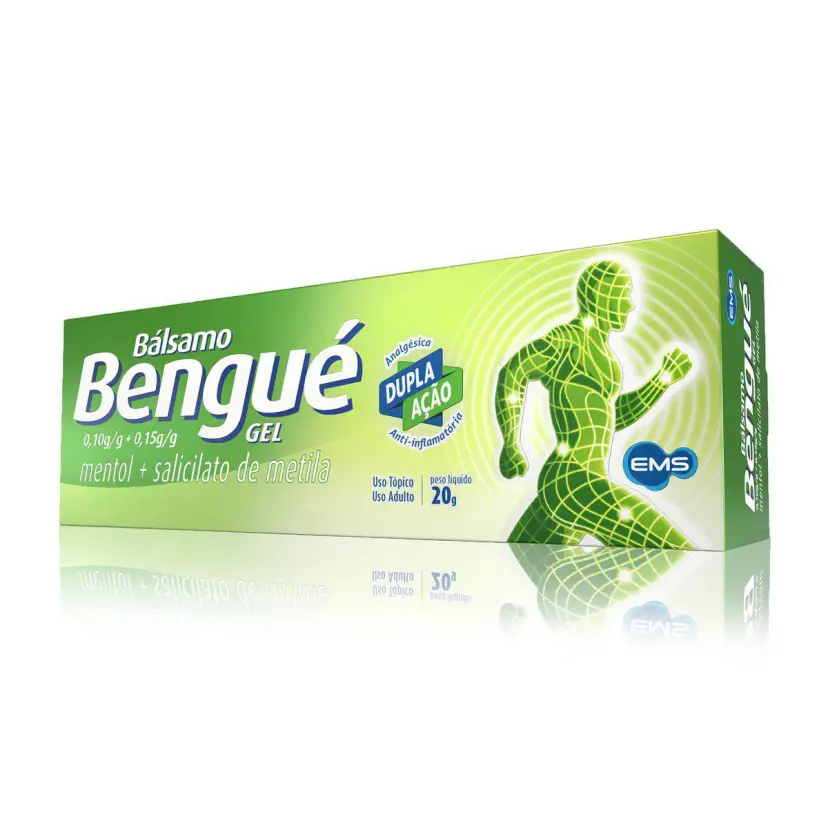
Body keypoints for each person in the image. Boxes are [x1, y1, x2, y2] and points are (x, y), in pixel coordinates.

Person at [495, 260, 693, 549]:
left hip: (578, 484)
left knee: (526, 557)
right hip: (574, 480)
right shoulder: (568, 340)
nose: (629, 305)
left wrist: (661, 381)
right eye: (623, 295)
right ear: (601, 297)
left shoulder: (607, 358)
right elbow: (515, 370)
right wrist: (511, 442)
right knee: (672, 549)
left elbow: (611, 417)